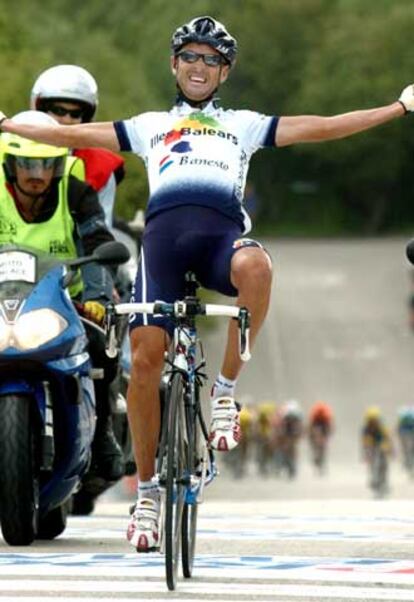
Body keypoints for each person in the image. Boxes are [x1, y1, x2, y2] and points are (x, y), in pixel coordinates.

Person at [0, 15, 413, 551]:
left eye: (211, 60)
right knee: (145, 361)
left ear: (225, 71)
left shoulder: (243, 124)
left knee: (257, 266)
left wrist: (399, 108)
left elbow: (323, 124)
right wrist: (8, 125)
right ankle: (147, 497)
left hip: (221, 245)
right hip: (163, 252)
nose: (199, 67)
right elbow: (67, 134)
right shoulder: (149, 125)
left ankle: (224, 393)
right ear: (174, 65)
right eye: (190, 57)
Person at [0, 110, 125, 496]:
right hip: (2, 297)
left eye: (46, 165)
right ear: (10, 165)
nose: (36, 175)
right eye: (27, 165)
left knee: (103, 347)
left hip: (61, 301)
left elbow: (96, 240)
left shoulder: (76, 189)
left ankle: (102, 432)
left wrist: (98, 298)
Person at [30, 64, 125, 228]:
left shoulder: (101, 168)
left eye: (76, 114)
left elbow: (101, 231)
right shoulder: (7, 151)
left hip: (76, 252)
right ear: (40, 109)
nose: (66, 119)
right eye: (58, 110)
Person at [361, 406, 393, 494]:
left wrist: (389, 449)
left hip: (381, 445)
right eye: (371, 420)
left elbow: (388, 438)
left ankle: (384, 481)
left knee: (384, 463)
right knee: (371, 461)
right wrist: (365, 453)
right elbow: (364, 442)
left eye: (374, 420)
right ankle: (373, 478)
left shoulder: (381, 427)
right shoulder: (366, 428)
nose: (373, 422)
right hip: (371, 446)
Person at [308, 401, 334, 473]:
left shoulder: (326, 417)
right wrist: (312, 436)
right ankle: (316, 457)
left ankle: (321, 459)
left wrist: (326, 436)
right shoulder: (315, 416)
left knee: (323, 447)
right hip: (317, 429)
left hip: (323, 429)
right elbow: (311, 428)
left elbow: (329, 428)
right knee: (315, 444)